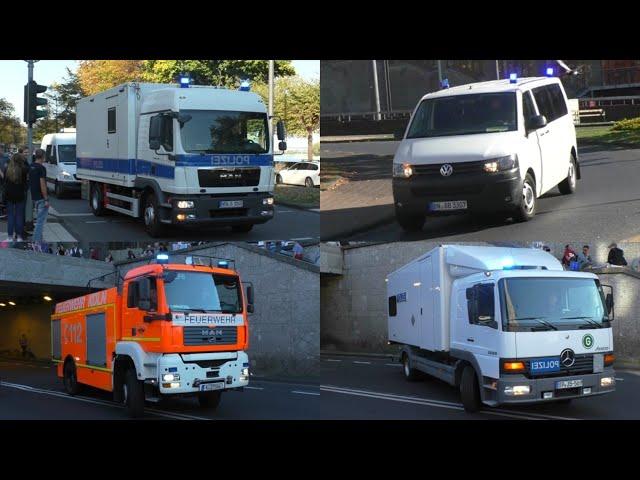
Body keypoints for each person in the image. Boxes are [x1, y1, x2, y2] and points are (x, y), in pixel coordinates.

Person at [2, 153, 29, 242]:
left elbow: (5, 183)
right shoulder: (23, 170)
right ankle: (19, 236)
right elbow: (25, 184)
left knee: (10, 216)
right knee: (19, 216)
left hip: (9, 195)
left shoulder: (7, 169)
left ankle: (10, 236)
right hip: (20, 194)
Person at [29, 149, 49, 243]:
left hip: (34, 196)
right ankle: (37, 241)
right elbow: (42, 184)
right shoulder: (41, 168)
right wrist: (46, 199)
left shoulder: (31, 166)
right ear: (43, 157)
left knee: (38, 219)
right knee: (40, 221)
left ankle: (39, 238)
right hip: (41, 197)